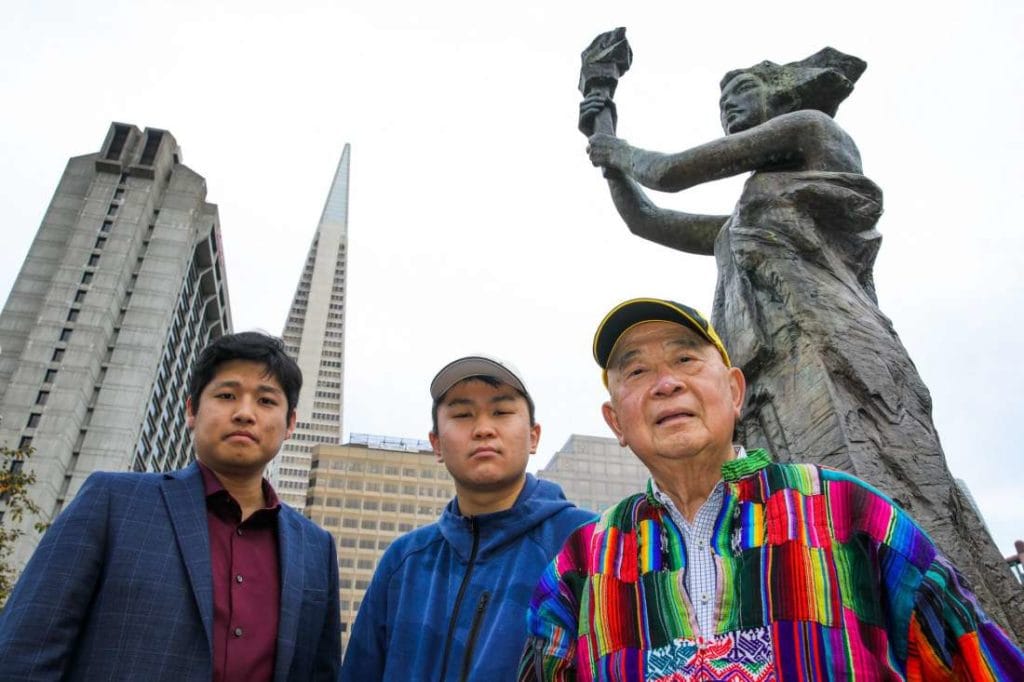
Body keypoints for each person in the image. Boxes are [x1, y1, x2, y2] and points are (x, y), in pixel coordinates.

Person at [579, 46, 1023, 633]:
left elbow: (670, 172)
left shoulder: (816, 135)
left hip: (830, 350)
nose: (729, 104)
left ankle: (944, 636)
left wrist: (621, 150)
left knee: (873, 498)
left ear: (784, 91)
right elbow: (645, 217)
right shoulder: (738, 222)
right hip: (760, 373)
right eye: (721, 97)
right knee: (792, 524)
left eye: (741, 88)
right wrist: (603, 125)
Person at [519, 298, 1024, 680]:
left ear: (735, 391)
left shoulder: (846, 510)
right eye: (636, 371)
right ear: (616, 422)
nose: (665, 384)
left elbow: (973, 658)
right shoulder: (582, 564)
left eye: (687, 360)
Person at [0, 332, 340, 681]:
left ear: (291, 424)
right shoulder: (113, 501)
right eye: (226, 395)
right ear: (192, 410)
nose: (244, 413)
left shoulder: (316, 548)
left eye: (266, 401)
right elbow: (24, 653)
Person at [341, 355, 595, 681]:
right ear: (436, 445)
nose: (483, 429)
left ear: (534, 436)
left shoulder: (586, 540)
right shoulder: (404, 561)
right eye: (462, 415)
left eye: (502, 412)